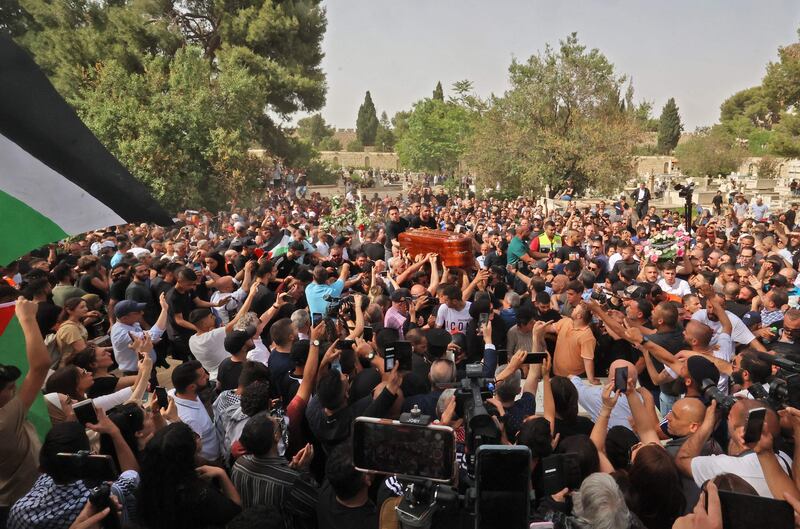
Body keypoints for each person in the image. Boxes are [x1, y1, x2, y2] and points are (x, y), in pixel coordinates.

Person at [8, 415, 139, 529]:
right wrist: (114, 432)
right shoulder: (107, 495)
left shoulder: (22, 511)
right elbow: (132, 473)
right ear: (90, 456)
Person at [0, 298, 50, 526]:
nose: (14, 390)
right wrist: (27, 318)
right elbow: (40, 366)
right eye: (9, 388)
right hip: (22, 501)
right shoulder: (4, 420)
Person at [137, 422, 241, 529]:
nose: (198, 438)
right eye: (193, 436)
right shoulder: (198, 494)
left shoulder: (150, 486)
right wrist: (222, 474)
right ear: (188, 454)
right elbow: (236, 512)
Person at [232, 412, 317, 520]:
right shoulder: (289, 481)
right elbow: (314, 503)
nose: (279, 421)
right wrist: (304, 470)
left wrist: (290, 470)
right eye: (277, 425)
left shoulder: (239, 464)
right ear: (276, 436)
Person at [169, 360, 221, 462]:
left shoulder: (172, 393)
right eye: (202, 376)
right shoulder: (191, 419)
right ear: (192, 387)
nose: (207, 376)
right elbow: (194, 452)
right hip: (210, 461)